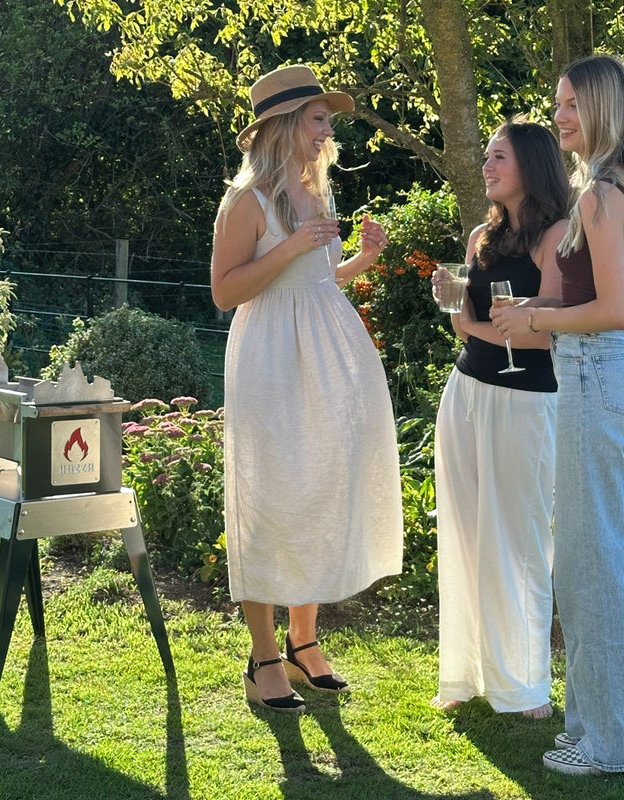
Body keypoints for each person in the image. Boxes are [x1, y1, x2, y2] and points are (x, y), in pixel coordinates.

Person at [211, 64, 404, 712]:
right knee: (269, 498)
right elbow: (225, 291)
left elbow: (317, 281)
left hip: (324, 359)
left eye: (327, 118)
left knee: (318, 487)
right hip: (268, 361)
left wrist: (361, 262)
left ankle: (303, 640)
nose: (328, 129)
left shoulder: (314, 193)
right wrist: (291, 245)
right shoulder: (248, 201)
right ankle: (263, 656)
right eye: (319, 117)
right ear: (286, 125)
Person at [491, 54, 624, 776]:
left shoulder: (600, 196)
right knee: (595, 560)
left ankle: (608, 745)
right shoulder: (618, 187)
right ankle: (598, 729)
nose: (560, 115)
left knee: (592, 566)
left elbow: (614, 312)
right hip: (604, 373)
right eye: (557, 104)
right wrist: (539, 311)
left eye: (572, 104)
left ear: (605, 106)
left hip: (594, 373)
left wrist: (541, 321)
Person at [430, 118, 568, 720]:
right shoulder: (481, 238)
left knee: (520, 537)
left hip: (528, 402)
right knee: (463, 533)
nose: (487, 166)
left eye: (499, 158)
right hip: (466, 393)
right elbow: (468, 313)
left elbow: (551, 336)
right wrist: (451, 293)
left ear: (531, 167)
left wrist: (473, 325)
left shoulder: (559, 235)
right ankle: (464, 673)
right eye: (486, 155)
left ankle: (525, 684)